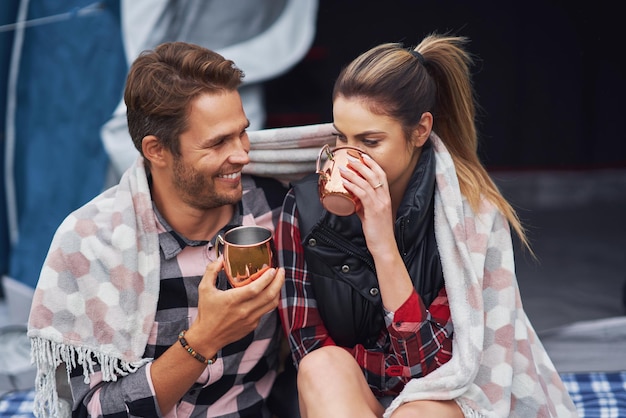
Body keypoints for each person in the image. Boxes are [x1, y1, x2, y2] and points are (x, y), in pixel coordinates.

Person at [276, 33, 578, 417]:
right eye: (340, 138)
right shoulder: (301, 210)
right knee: (323, 367)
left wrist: (383, 244)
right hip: (349, 402)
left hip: (442, 400)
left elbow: (437, 371)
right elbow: (308, 347)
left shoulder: (468, 214)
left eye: (369, 141)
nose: (349, 158)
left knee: (417, 412)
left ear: (420, 131)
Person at [27, 41, 288, 417]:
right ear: (156, 150)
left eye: (242, 133)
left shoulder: (273, 208)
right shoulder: (93, 244)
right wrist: (205, 338)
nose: (243, 154)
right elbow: (92, 412)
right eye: (217, 143)